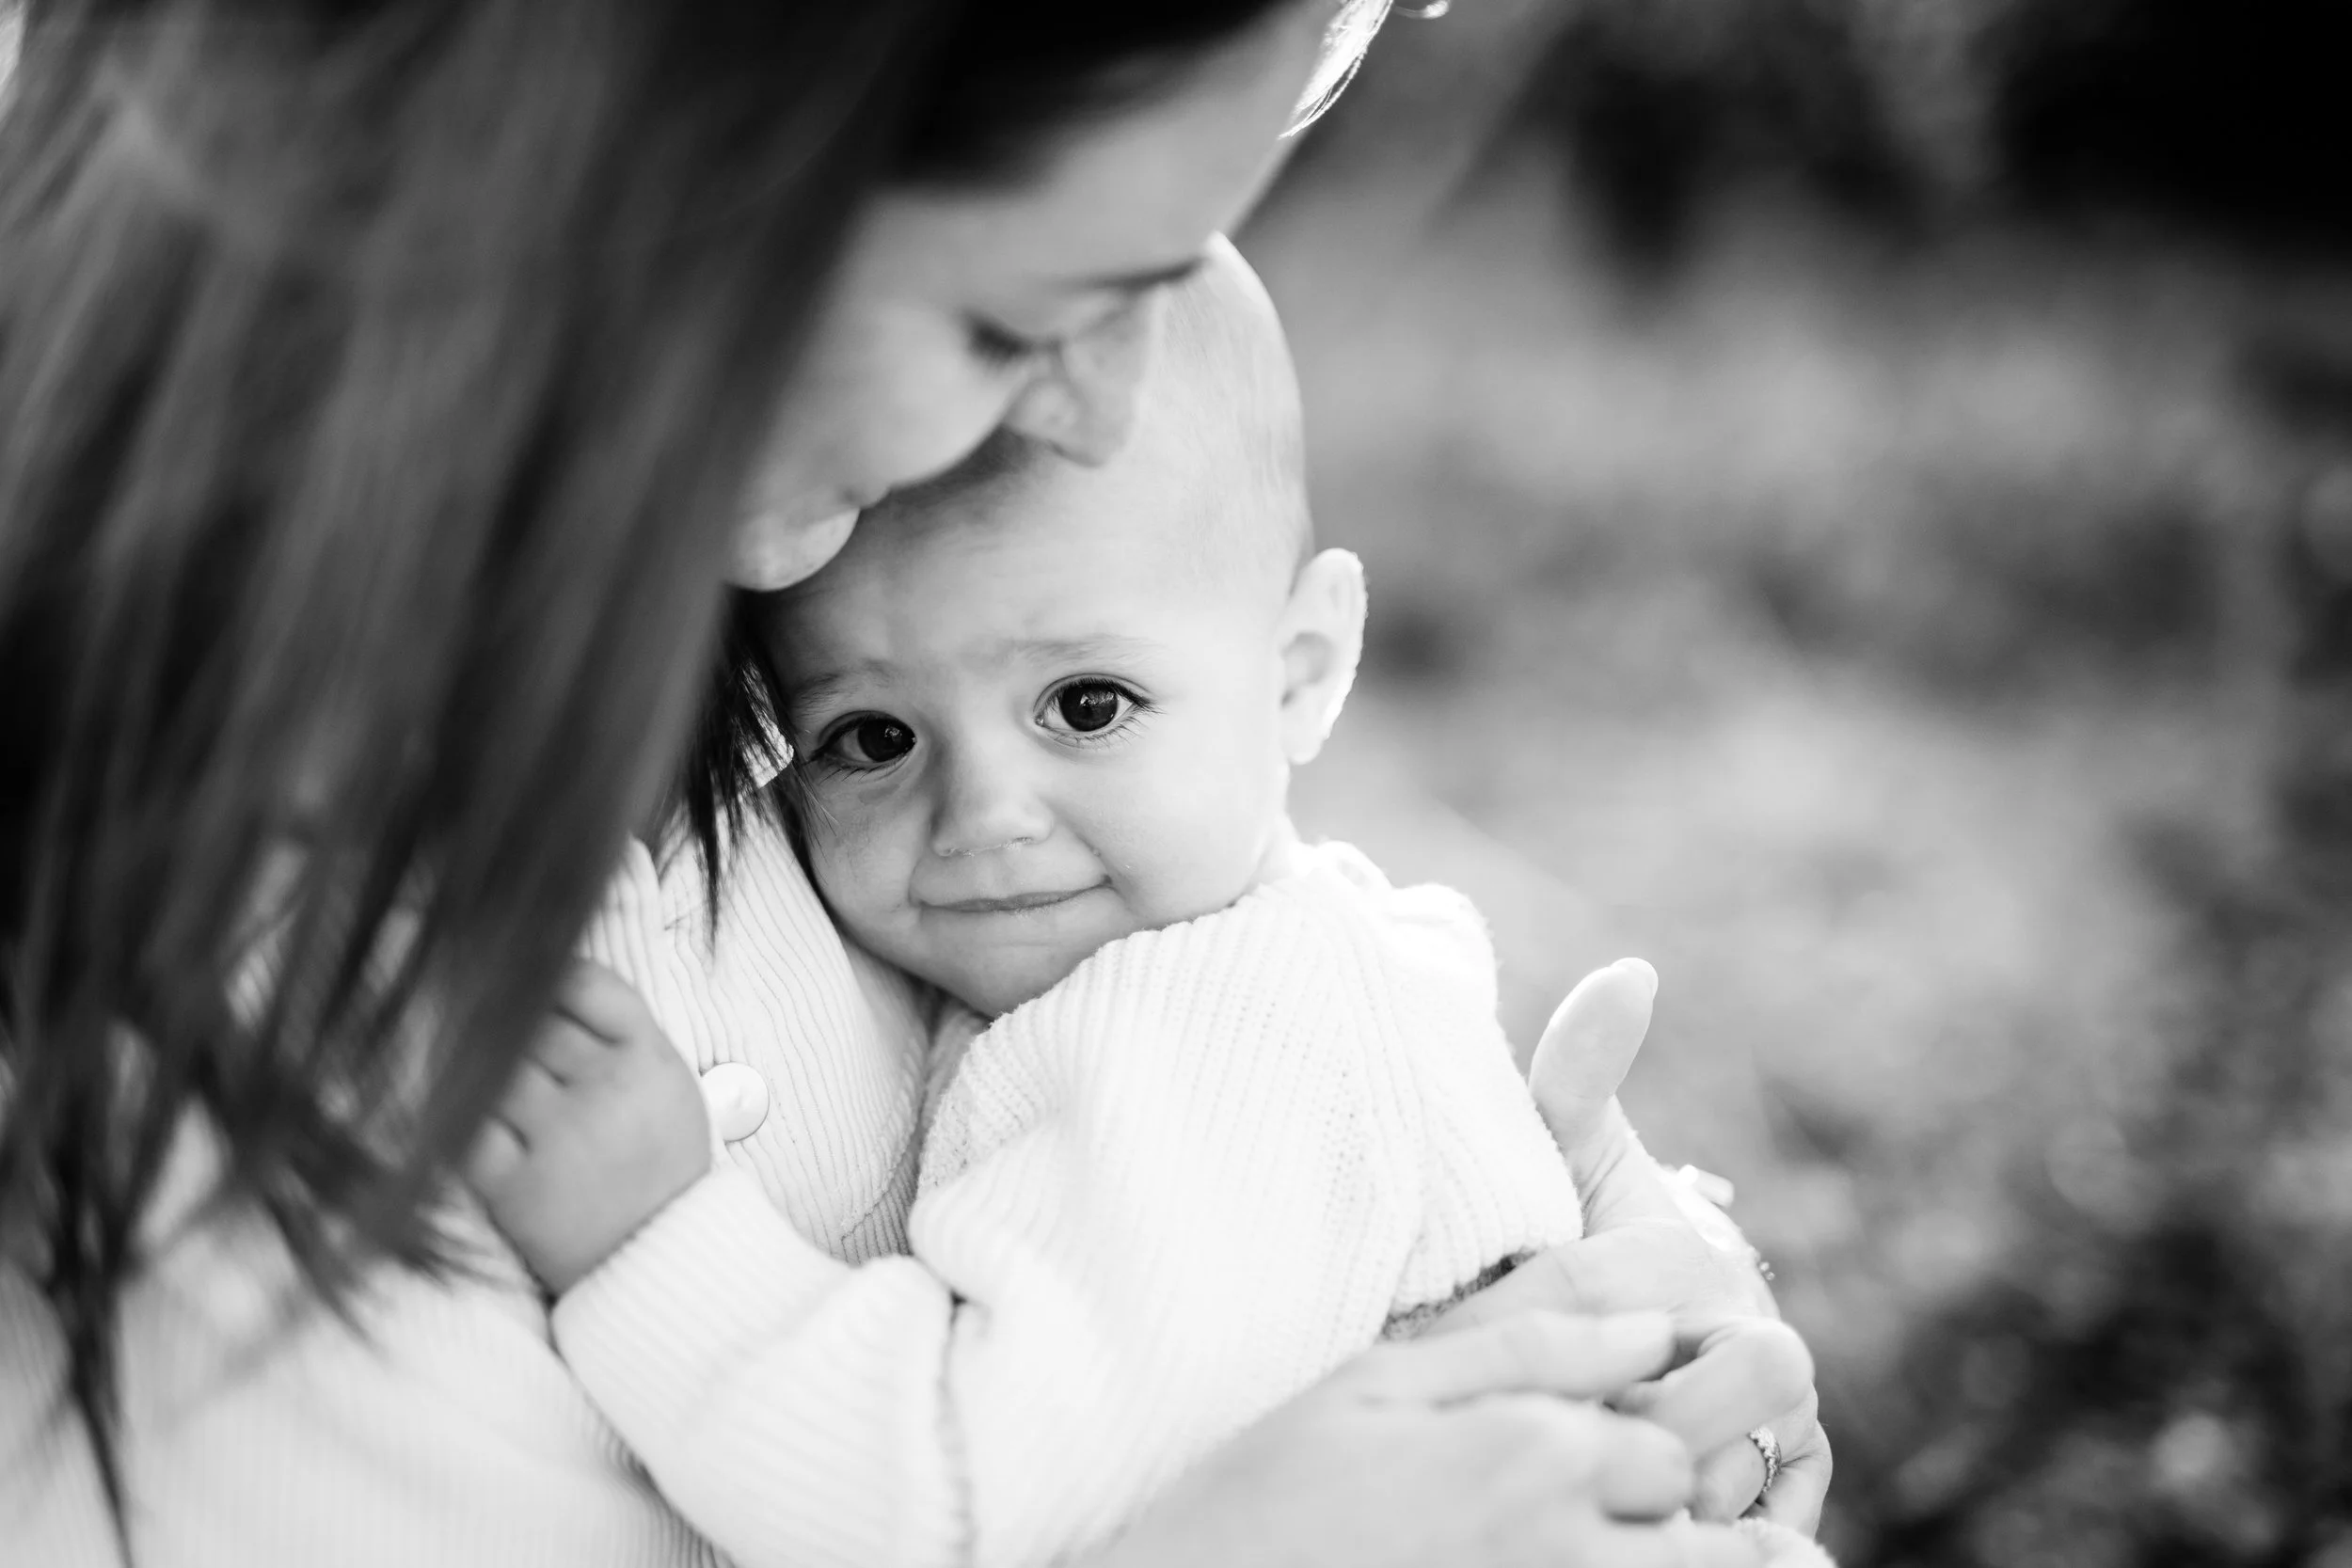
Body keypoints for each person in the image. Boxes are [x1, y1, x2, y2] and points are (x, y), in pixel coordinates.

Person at [0, 3, 1824, 1564]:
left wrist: (1574, 1271)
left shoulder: (753, 642)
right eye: (1013, 312)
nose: (1088, 418)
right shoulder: (190, 990)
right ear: (665, 166)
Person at [469, 241, 1833, 1568]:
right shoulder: (1315, 945)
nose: (985, 814)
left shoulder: (1206, 1041)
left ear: (1301, 670)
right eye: (873, 737)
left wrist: (649, 1237)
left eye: (1087, 704)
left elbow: (955, 1503)